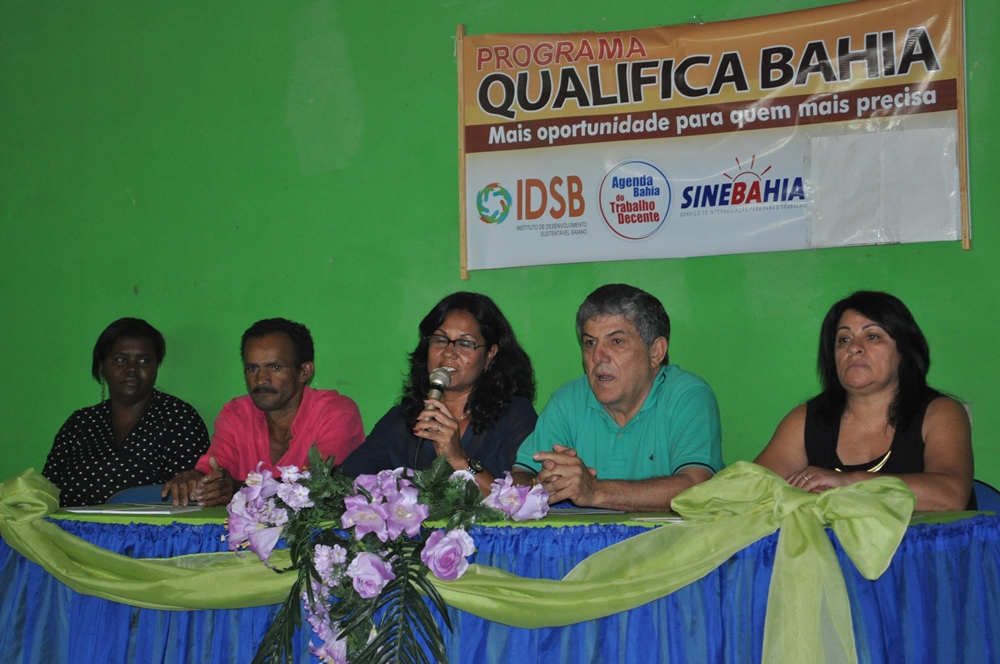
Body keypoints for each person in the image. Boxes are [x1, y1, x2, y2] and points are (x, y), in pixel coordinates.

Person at [755, 291, 975, 511]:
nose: (853, 348)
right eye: (844, 339)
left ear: (904, 351)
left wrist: (848, 483)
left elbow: (950, 496)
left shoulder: (941, 412)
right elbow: (749, 490)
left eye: (872, 336)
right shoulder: (805, 419)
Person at [512, 284, 723, 511]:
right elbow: (519, 476)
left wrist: (595, 491)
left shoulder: (687, 395)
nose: (598, 356)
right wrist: (541, 484)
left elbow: (696, 486)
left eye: (617, 342)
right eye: (590, 343)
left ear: (656, 352)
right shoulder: (568, 401)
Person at [339, 292, 537, 496]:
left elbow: (521, 500)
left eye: (465, 343)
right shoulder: (402, 419)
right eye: (440, 340)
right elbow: (347, 480)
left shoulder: (514, 414)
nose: (449, 352)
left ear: (489, 355)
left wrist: (460, 459)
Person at [163, 318, 365, 506]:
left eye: (275, 367)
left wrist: (237, 489)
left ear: (304, 371)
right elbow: (215, 469)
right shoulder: (237, 414)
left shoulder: (336, 413)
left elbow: (320, 488)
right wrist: (198, 480)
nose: (261, 380)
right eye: (252, 368)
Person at [42, 318, 210, 507]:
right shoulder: (79, 424)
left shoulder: (179, 418)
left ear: (155, 367)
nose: (132, 369)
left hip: (151, 526)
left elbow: (193, 492)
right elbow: (44, 491)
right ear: (101, 366)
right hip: (68, 525)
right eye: (120, 360)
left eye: (144, 361)